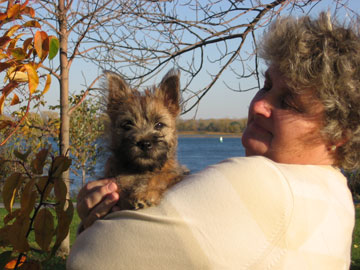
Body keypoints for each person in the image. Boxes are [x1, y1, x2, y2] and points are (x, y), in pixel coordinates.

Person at [67, 13, 360, 270]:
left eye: (289, 102)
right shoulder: (338, 196)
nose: (258, 105)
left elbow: (90, 259)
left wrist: (92, 226)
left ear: (339, 133)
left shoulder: (262, 183)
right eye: (266, 86)